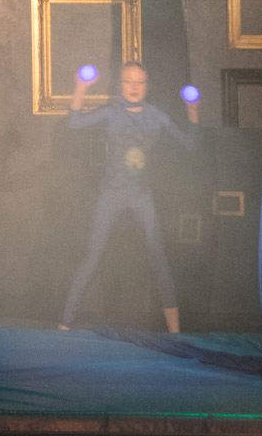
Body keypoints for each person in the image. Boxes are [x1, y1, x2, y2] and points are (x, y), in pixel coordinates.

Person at [57, 61, 200, 333]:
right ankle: (64, 326)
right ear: (120, 84)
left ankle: (175, 334)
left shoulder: (156, 116)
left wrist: (193, 111)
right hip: (111, 193)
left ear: (147, 86)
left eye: (140, 82)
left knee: (158, 258)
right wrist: (80, 88)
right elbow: (74, 123)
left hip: (140, 195)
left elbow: (191, 145)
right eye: (128, 81)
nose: (134, 86)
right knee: (93, 257)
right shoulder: (112, 112)